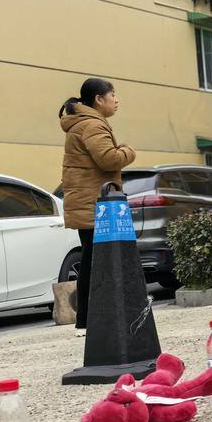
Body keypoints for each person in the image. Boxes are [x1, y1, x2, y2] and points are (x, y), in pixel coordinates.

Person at [59, 78, 136, 332]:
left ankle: (91, 319)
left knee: (94, 261)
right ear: (98, 99)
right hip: (94, 204)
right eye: (113, 95)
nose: (117, 100)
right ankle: (88, 321)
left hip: (89, 202)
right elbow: (108, 159)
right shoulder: (92, 124)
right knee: (95, 262)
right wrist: (128, 150)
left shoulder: (83, 122)